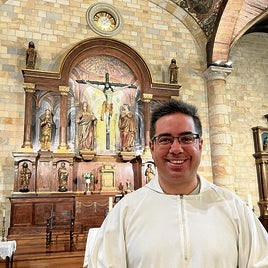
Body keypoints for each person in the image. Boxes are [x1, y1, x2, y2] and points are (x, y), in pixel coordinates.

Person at [89, 99, 268, 267]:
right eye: (165, 139)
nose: (176, 149)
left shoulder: (233, 207)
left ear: (200, 145)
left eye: (186, 138)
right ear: (152, 147)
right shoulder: (125, 212)